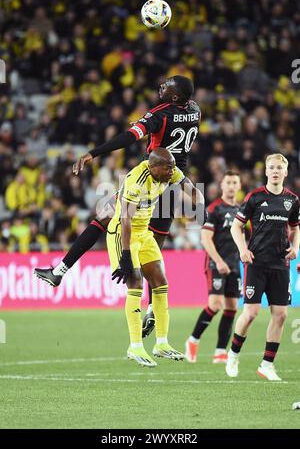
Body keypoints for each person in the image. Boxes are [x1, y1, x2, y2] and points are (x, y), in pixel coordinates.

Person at [34, 75, 201, 337]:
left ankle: (59, 271)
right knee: (153, 251)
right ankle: (152, 311)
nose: (162, 86)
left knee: (103, 218)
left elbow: (129, 137)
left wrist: (93, 153)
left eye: (167, 86)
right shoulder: (195, 110)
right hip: (176, 182)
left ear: (175, 96)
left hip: (153, 177)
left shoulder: (160, 113)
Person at [107, 148, 205, 367]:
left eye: (172, 166)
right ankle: (135, 345)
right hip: (124, 233)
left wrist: (201, 209)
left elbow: (194, 191)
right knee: (135, 283)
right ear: (152, 167)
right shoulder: (136, 180)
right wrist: (124, 254)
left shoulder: (171, 172)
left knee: (161, 284)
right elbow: (125, 220)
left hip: (144, 233)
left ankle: (161, 343)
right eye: (167, 167)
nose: (172, 171)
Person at [225, 154, 300, 381]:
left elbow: (296, 228)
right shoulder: (255, 197)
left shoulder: (292, 200)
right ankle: (233, 355)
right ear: (266, 172)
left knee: (280, 315)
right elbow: (236, 227)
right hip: (256, 263)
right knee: (251, 314)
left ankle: (267, 364)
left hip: (280, 264)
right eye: (271, 168)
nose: (275, 171)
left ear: (285, 172)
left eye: (279, 168)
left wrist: (295, 248)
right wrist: (242, 250)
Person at [185, 171, 242, 364]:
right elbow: (205, 239)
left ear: (240, 186)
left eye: (235, 182)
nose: (232, 186)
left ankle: (220, 351)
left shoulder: (241, 211)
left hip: (234, 264)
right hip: (215, 263)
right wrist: (218, 261)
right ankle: (193, 340)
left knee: (232, 308)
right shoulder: (214, 209)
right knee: (215, 304)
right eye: (228, 182)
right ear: (222, 186)